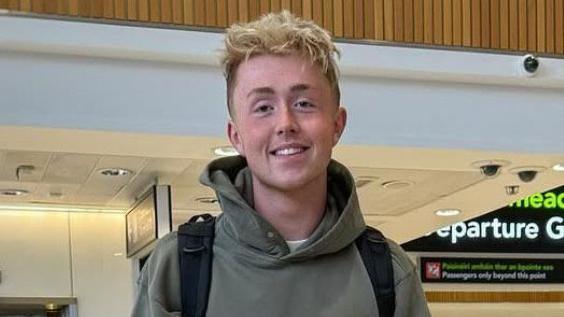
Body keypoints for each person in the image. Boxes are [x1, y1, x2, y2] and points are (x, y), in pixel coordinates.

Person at [132, 11, 430, 317]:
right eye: (263, 107)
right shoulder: (177, 268)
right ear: (237, 136)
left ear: (336, 125)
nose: (285, 123)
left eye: (304, 103)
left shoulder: (389, 274)